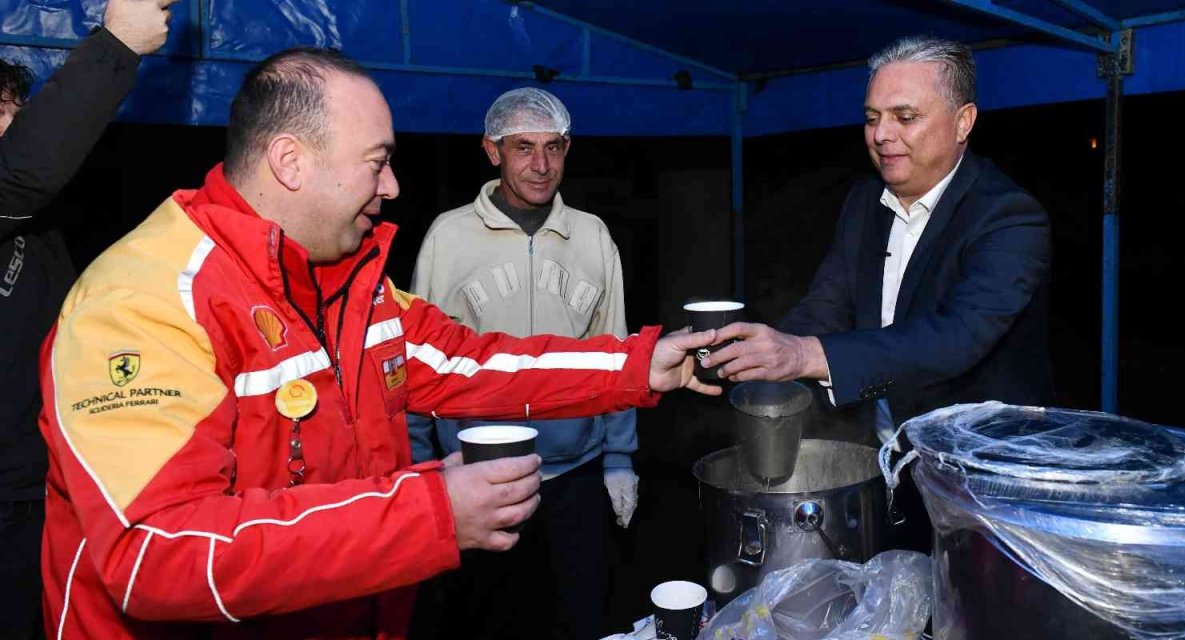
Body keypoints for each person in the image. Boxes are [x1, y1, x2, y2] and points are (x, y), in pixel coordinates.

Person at [37, 47, 719, 640]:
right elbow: (157, 552)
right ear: (290, 161)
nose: (392, 187)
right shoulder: (142, 303)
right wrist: (432, 513)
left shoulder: (351, 285)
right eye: (377, 162)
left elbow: (471, 361)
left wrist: (639, 364)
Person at [705, 35, 1053, 441]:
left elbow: (957, 338)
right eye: (872, 118)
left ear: (963, 122)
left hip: (984, 463)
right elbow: (828, 304)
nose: (881, 134)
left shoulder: (1008, 216)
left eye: (904, 117)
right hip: (886, 449)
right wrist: (760, 355)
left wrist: (803, 356)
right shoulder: (865, 199)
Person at [408, 87, 636, 639]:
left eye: (554, 148)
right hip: (479, 478)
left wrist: (619, 459)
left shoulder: (592, 236)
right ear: (493, 151)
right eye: (523, 148)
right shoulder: (449, 236)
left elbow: (617, 350)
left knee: (582, 616)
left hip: (576, 473)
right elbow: (414, 358)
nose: (541, 165)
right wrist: (417, 468)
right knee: (490, 621)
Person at [0, 2, 177, 637]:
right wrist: (117, 43)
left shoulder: (40, 233)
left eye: (15, 114)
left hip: (42, 491)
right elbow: (23, 171)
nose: (14, 126)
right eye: (1, 115)